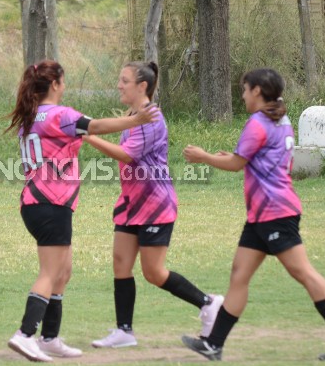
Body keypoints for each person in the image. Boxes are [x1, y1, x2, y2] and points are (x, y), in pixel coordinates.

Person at [181, 68, 325, 361]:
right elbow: (255, 160)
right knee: (239, 275)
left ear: (257, 92)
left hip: (276, 212)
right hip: (261, 216)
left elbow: (238, 164)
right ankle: (214, 344)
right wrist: (231, 157)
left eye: (244, 89)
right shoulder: (281, 119)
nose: (242, 95)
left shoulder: (258, 123)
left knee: (302, 272)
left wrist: (204, 157)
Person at [5, 60, 159, 362]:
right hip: (49, 204)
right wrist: (135, 121)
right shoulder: (59, 115)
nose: (65, 85)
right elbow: (96, 127)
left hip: (42, 204)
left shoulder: (32, 114)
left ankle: (49, 338)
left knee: (63, 272)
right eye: (64, 80)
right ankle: (25, 334)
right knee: (50, 273)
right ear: (55, 85)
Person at [82, 61, 223, 349]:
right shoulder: (135, 115)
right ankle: (124, 332)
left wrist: (89, 137)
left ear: (142, 86)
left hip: (155, 204)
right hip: (131, 203)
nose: (119, 85)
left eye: (124, 80)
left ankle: (208, 303)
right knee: (121, 263)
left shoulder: (152, 118)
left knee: (154, 272)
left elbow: (127, 155)